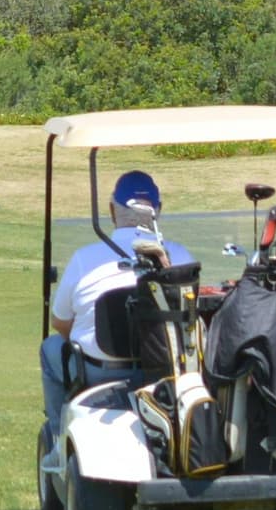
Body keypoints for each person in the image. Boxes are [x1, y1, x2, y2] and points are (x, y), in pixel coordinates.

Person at [42, 171, 190, 442]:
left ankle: (56, 438)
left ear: (112, 210)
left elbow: (60, 323)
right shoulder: (180, 256)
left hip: (101, 372)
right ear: (158, 210)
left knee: (51, 348)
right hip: (166, 368)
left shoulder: (85, 259)